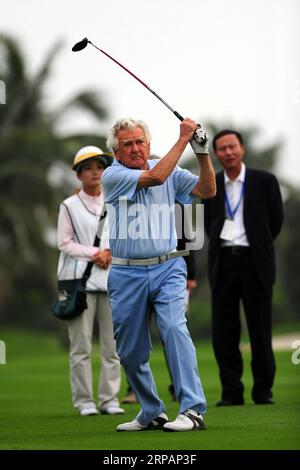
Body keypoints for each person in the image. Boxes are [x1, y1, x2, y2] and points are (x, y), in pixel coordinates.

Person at [102, 117, 216, 431]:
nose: (135, 148)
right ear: (117, 152)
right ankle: (151, 411)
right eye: (128, 144)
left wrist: (203, 152)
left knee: (175, 329)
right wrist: (183, 139)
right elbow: (154, 177)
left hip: (169, 267)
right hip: (126, 274)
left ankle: (192, 410)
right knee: (130, 349)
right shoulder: (114, 175)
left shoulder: (170, 169)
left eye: (140, 141)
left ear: (149, 144)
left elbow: (207, 190)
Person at [204, 130, 284, 406]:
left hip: (255, 264)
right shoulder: (211, 184)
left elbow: (275, 222)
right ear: (216, 154)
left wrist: (256, 246)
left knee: (260, 330)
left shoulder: (265, 181)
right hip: (223, 263)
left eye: (232, 147)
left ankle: (263, 391)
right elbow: (207, 225)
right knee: (224, 333)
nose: (227, 152)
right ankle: (231, 393)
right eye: (222, 149)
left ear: (242, 149)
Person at [56, 145, 125, 416]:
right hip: (79, 283)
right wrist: (95, 253)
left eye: (99, 167)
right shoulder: (68, 206)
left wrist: (109, 253)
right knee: (81, 347)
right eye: (88, 168)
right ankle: (85, 402)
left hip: (113, 279)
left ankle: (110, 400)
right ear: (79, 174)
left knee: (113, 346)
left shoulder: (114, 200)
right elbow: (64, 243)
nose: (95, 172)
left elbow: (123, 235)